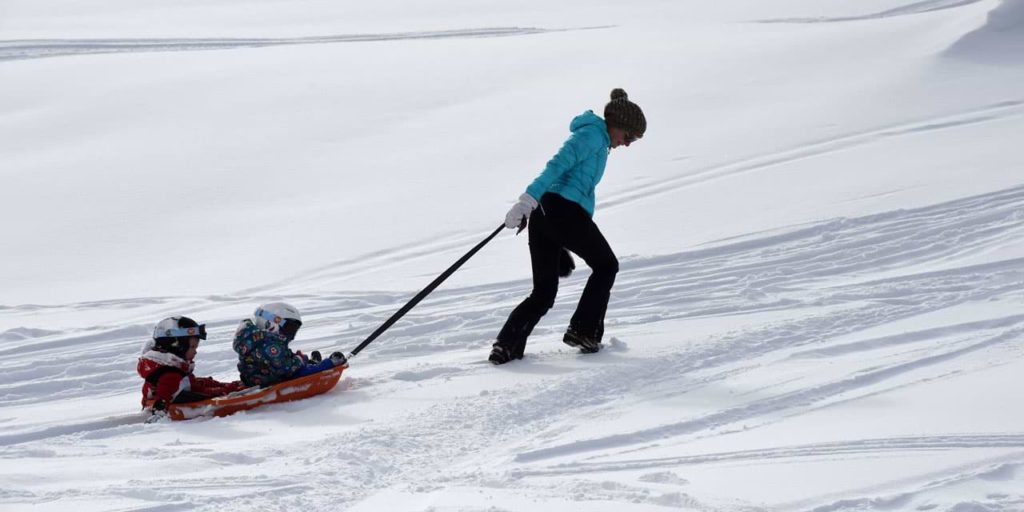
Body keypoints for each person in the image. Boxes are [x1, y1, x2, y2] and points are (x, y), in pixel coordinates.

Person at [490, 88, 647, 365]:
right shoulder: (591, 136)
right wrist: (527, 200)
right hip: (562, 211)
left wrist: (554, 234)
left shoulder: (599, 142)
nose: (629, 143)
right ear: (617, 125)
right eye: (630, 136)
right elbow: (556, 166)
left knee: (543, 294)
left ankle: (507, 346)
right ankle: (583, 331)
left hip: (548, 216)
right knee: (607, 265)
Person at [138, 316, 246, 419]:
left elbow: (189, 383)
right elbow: (163, 397)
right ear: (177, 346)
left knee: (205, 382)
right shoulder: (171, 373)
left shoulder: (166, 366)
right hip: (182, 399)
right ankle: (236, 388)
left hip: (182, 389)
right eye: (192, 347)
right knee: (210, 390)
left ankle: (234, 385)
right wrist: (159, 411)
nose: (195, 351)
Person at [233, 302, 347, 387]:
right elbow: (284, 368)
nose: (291, 334)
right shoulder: (269, 343)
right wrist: (300, 359)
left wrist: (297, 358)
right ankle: (327, 364)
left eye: (294, 329)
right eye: (289, 328)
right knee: (302, 372)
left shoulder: (259, 339)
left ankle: (311, 363)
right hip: (270, 379)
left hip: (259, 376)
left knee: (297, 361)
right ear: (270, 323)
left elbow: (276, 359)